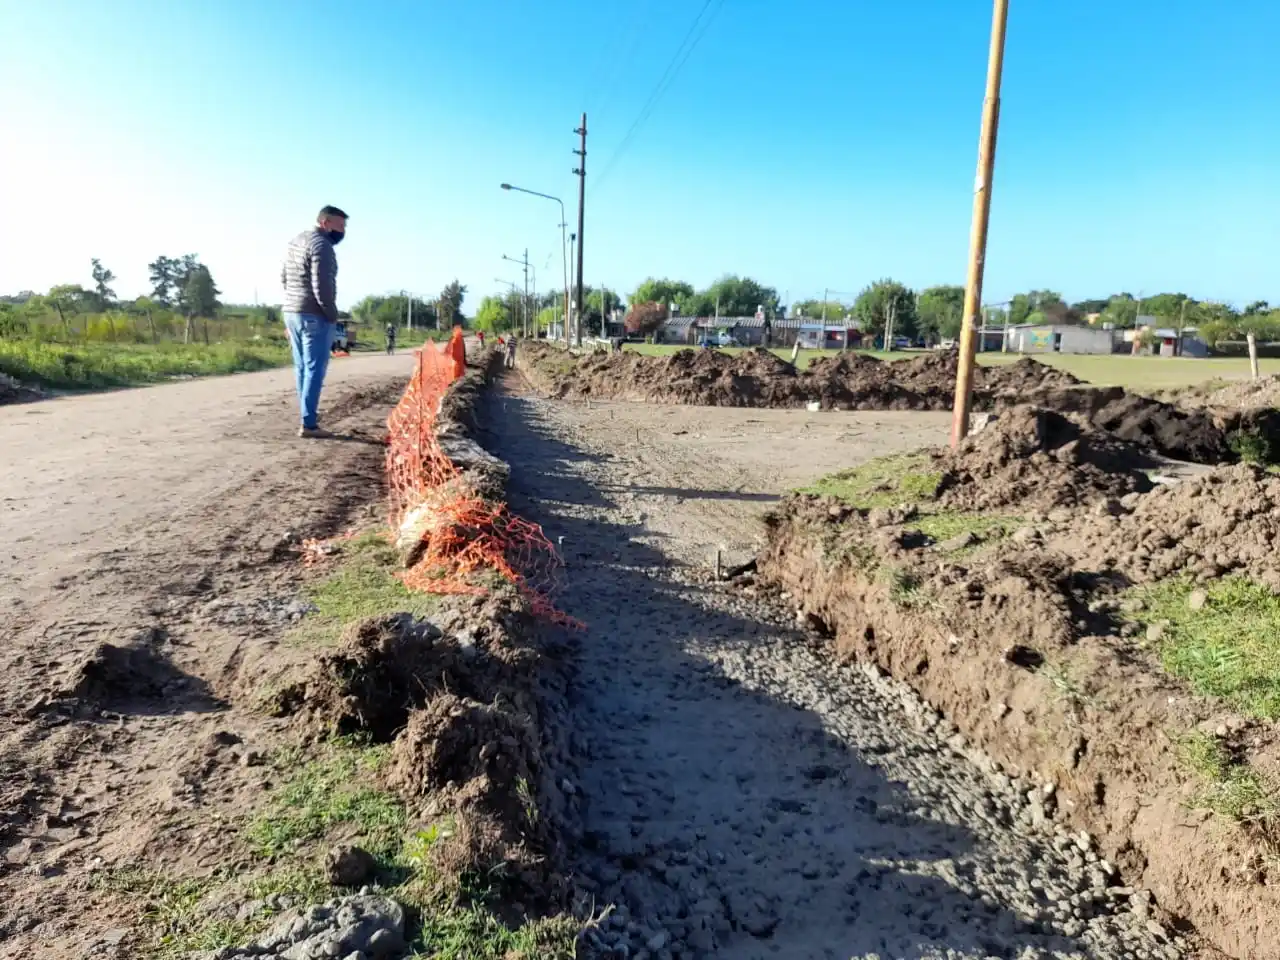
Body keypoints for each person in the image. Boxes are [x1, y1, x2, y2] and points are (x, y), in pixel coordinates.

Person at [281, 205, 347, 439]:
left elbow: (284, 278)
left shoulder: (296, 241)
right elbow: (322, 286)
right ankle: (309, 424)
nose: (343, 231)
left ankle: (306, 417)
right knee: (315, 369)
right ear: (325, 223)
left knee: (302, 367)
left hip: (292, 312)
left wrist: (291, 305)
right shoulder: (322, 245)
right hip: (314, 315)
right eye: (340, 225)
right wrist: (331, 315)